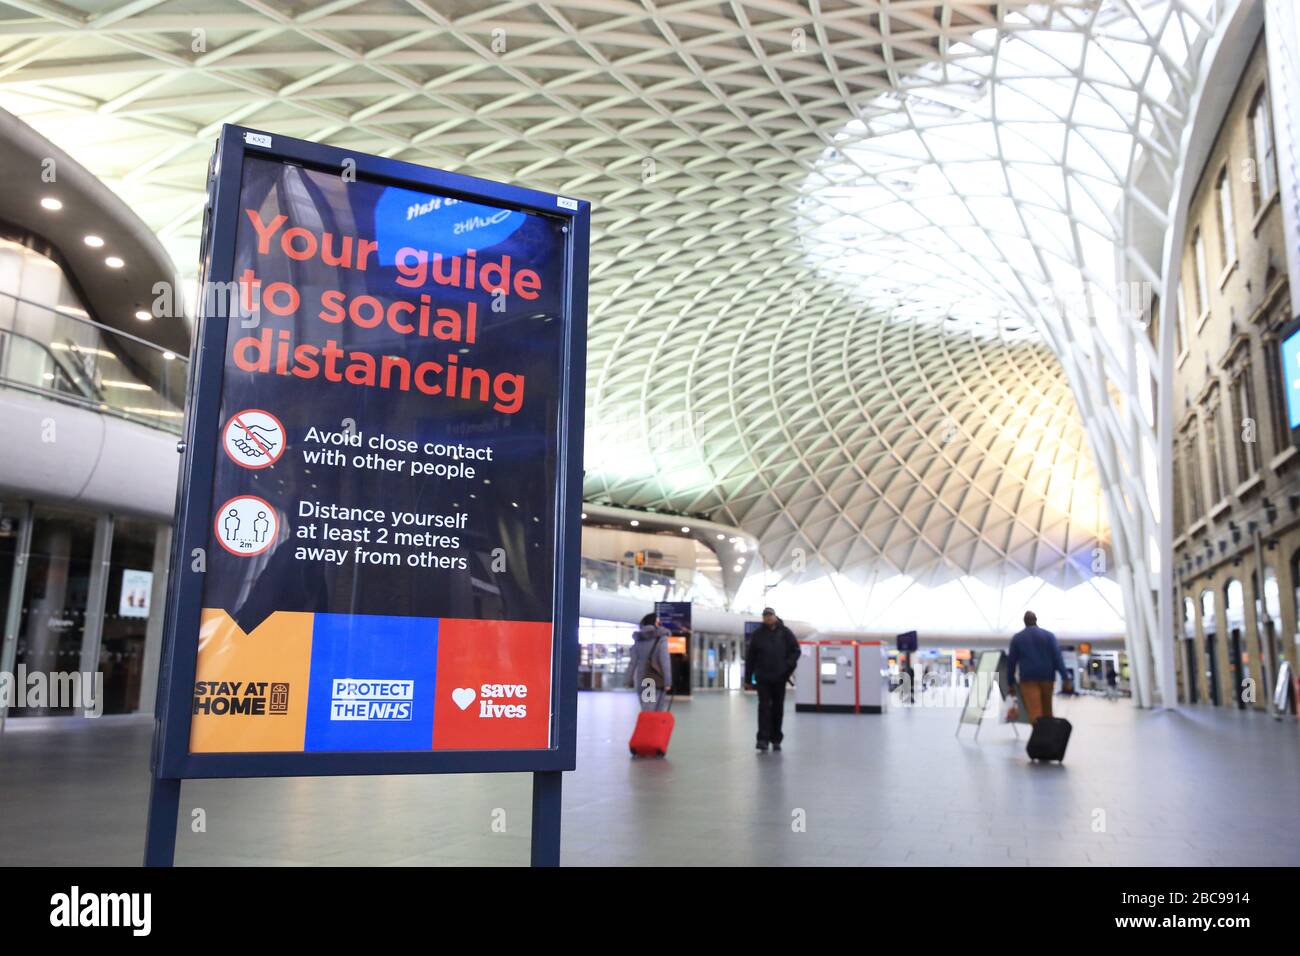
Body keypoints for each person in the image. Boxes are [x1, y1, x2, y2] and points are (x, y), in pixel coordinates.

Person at [743, 607, 800, 752]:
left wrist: (787, 666)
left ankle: (776, 739)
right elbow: (750, 658)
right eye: (765, 616)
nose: (768, 618)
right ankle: (762, 739)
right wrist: (748, 678)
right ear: (763, 618)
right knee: (763, 708)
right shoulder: (758, 635)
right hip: (763, 678)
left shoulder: (785, 633)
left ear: (775, 616)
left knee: (777, 708)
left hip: (780, 678)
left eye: (770, 615)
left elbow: (796, 650)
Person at [1006, 611, 1071, 724]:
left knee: (1035, 712)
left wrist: (1010, 682)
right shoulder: (1049, 636)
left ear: (1024, 622)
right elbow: (1057, 658)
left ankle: (1040, 739)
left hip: (1028, 680)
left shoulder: (1018, 638)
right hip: (1048, 678)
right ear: (1036, 620)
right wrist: (1065, 677)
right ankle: (1049, 737)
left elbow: (1011, 662)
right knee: (1048, 711)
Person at [627, 613, 673, 711]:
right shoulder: (661, 639)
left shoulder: (638, 640)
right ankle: (651, 727)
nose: (659, 623)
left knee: (646, 710)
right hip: (656, 679)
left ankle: (649, 726)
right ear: (654, 623)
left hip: (641, 679)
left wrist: (629, 680)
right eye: (658, 621)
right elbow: (665, 661)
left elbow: (633, 662)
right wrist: (668, 682)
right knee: (655, 713)